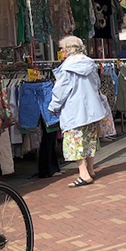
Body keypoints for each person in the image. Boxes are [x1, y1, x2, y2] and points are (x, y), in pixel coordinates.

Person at [48, 36, 106, 188]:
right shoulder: (90, 63)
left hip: (74, 110)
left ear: (67, 49)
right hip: (92, 109)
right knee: (89, 138)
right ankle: (91, 169)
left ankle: (83, 174)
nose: (61, 52)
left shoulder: (67, 68)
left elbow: (61, 90)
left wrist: (53, 106)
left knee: (74, 142)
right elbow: (97, 84)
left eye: (62, 49)